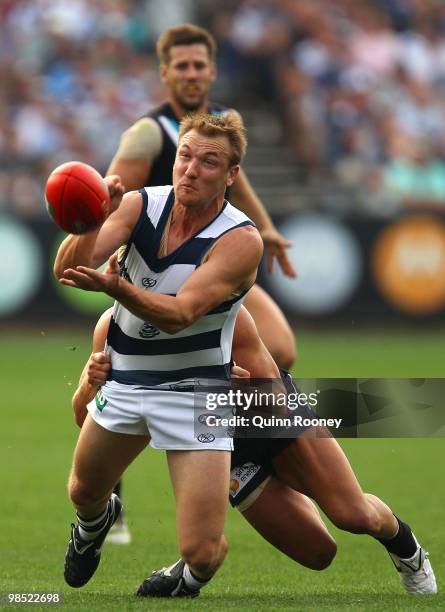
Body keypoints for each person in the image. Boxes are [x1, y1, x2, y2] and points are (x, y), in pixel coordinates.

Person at [74, 305, 437, 597]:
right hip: (222, 448)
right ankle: (192, 573)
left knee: (352, 515)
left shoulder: (228, 317)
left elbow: (275, 404)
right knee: (318, 554)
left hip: (274, 427)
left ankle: (406, 549)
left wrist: (233, 391)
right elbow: (83, 418)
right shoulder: (113, 326)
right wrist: (91, 384)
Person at [54, 112, 264, 597]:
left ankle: (182, 579)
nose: (191, 169)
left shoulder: (241, 240)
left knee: (205, 555)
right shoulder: (138, 205)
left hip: (197, 393)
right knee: (84, 493)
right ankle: (94, 526)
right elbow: (69, 268)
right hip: (126, 379)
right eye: (185, 156)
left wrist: (117, 287)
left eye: (209, 162)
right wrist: (92, 219)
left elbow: (181, 314)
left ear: (231, 176)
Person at [106, 22, 298, 543]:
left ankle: (237, 453)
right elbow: (111, 193)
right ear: (164, 72)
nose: (191, 74)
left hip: (210, 257)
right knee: (111, 374)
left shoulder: (223, 125)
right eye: (181, 65)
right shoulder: (147, 134)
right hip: (152, 268)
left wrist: (268, 229)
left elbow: (241, 182)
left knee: (281, 348)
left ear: (213, 70)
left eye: (199, 65)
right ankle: (109, 498)